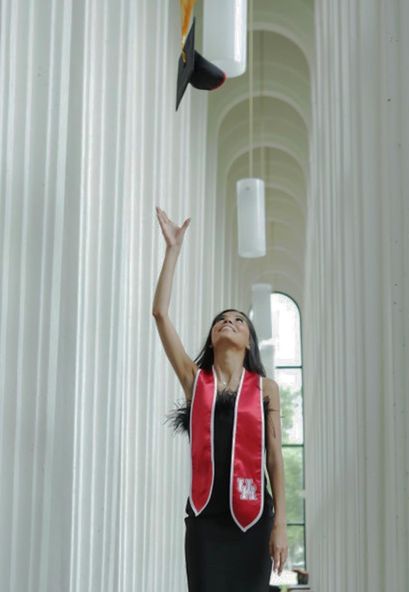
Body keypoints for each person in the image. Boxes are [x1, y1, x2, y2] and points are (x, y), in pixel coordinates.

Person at [152, 206, 288, 591]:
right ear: (213, 338)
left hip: (254, 519)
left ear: (249, 342)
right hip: (205, 522)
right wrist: (172, 252)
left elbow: (275, 456)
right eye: (221, 320)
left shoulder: (265, 389)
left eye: (239, 320)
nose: (229, 322)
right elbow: (160, 314)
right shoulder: (196, 382)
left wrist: (280, 525)